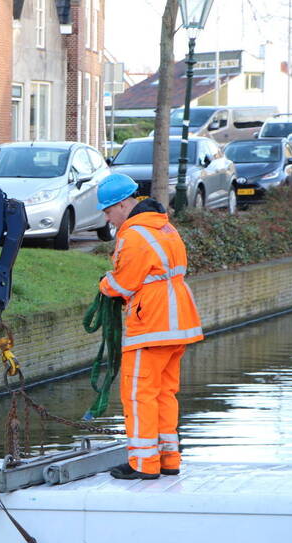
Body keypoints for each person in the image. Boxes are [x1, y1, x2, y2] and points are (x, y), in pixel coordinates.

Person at [95, 174, 203, 480]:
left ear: (122, 205)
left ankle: (143, 464)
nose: (107, 218)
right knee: (165, 394)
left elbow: (122, 282)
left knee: (139, 394)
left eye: (108, 211)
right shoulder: (164, 227)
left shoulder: (134, 236)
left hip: (151, 324)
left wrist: (104, 284)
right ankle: (169, 459)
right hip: (178, 322)